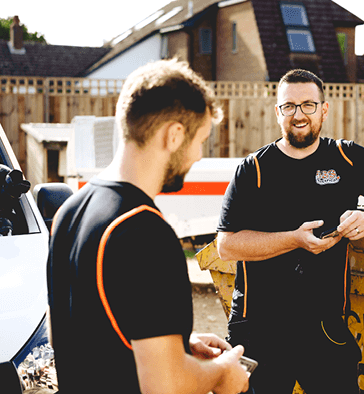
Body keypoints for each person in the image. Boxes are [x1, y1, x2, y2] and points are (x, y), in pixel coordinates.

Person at [216, 69, 364, 393]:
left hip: (325, 324)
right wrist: (293, 240)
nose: (298, 115)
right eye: (289, 106)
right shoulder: (253, 169)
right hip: (258, 326)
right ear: (277, 112)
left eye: (308, 105)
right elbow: (227, 246)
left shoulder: (345, 157)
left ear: (324, 109)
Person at [47, 59, 250, 394]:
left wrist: (172, 342)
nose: (198, 156)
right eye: (201, 140)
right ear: (174, 135)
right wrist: (222, 373)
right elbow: (166, 387)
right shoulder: (146, 232)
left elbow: (72, 332)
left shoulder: (69, 211)